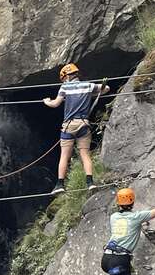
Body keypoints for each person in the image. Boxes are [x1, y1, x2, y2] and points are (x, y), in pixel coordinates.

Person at [43, 63, 110, 194]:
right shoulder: (87, 85)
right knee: (85, 154)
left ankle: (60, 184)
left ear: (66, 76)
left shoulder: (65, 87)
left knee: (64, 156)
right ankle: (90, 182)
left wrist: (47, 101)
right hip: (84, 125)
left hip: (69, 125)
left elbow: (55, 103)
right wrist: (90, 95)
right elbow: (106, 88)